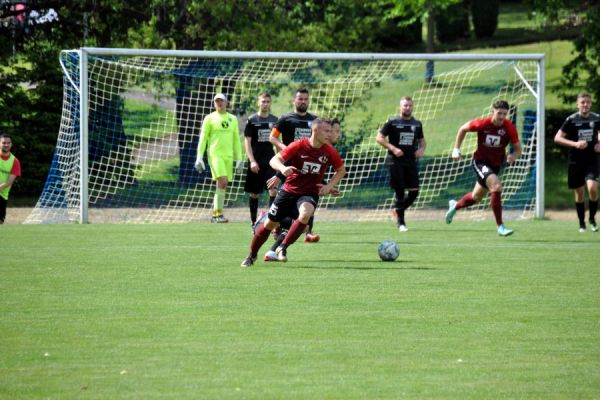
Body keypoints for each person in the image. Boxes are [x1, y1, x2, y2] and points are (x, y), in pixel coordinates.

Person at [241, 118, 346, 267]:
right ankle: (251, 255)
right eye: (327, 131)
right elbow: (274, 160)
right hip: (288, 191)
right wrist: (283, 169)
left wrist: (329, 186)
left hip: (309, 193)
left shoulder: (329, 151)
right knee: (270, 224)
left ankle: (282, 248)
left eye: (331, 131)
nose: (330, 134)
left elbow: (341, 171)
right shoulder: (299, 145)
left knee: (305, 215)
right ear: (315, 131)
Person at [445, 100, 521, 236]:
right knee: (496, 186)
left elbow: (518, 149)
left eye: (504, 113)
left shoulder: (509, 127)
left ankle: (455, 206)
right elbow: (463, 128)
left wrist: (512, 156)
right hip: (480, 162)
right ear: (493, 112)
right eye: (499, 113)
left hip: (495, 165)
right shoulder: (483, 124)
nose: (502, 117)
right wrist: (456, 149)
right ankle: (500, 226)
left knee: (476, 197)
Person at [269, 87, 321, 242]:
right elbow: (272, 138)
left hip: (307, 166)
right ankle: (275, 225)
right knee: (277, 193)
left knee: (311, 194)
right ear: (294, 100)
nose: (303, 101)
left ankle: (308, 232)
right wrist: (287, 149)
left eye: (306, 99)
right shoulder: (286, 118)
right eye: (300, 99)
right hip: (287, 165)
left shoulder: (314, 120)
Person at [376, 96, 426, 232]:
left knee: (414, 192)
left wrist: (421, 149)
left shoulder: (417, 124)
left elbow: (422, 142)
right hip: (395, 161)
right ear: (400, 107)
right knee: (400, 192)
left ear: (413, 107)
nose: (407, 107)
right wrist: (393, 148)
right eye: (405, 105)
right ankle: (401, 223)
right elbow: (379, 138)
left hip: (411, 161)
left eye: (410, 105)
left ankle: (397, 209)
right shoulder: (392, 122)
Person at [554, 92, 600, 232]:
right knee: (579, 192)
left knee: (592, 188)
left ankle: (592, 218)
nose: (585, 105)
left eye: (587, 102)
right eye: (582, 102)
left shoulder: (597, 118)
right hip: (575, 161)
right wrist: (575, 144)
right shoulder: (571, 120)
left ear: (591, 104)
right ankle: (581, 223)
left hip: (591, 159)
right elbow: (558, 138)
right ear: (577, 104)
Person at [195, 93, 243, 223]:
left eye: (221, 101)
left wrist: (239, 159)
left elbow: (236, 141)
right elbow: (203, 138)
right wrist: (199, 157)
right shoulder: (209, 118)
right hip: (215, 155)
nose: (219, 103)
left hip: (228, 156)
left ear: (227, 103)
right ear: (214, 103)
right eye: (217, 101)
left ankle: (217, 214)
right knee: (222, 181)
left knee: (223, 184)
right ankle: (218, 214)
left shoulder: (232, 119)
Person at [243, 92, 278, 227]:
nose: (265, 104)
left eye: (268, 101)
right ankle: (253, 222)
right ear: (258, 103)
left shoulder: (275, 120)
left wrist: (279, 160)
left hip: (270, 161)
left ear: (270, 103)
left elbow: (277, 141)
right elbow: (247, 142)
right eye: (263, 101)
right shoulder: (252, 120)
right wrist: (252, 160)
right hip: (255, 162)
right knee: (254, 193)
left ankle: (271, 221)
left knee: (273, 190)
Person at [0, 134, 21, 224]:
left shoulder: (15, 161)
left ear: (11, 144)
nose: (6, 145)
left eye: (8, 143)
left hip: (3, 194)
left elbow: (9, 181)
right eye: (3, 143)